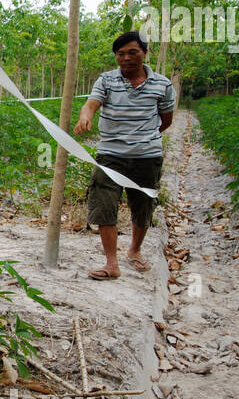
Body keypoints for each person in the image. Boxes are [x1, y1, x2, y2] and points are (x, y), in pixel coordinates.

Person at [73, 30, 176, 280]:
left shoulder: (163, 84)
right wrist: (85, 116)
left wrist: (144, 137)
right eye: (121, 54)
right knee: (103, 204)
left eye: (133, 52)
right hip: (110, 154)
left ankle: (135, 250)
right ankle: (111, 263)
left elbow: (166, 119)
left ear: (144, 53)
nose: (127, 58)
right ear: (116, 57)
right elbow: (91, 103)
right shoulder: (106, 80)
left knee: (142, 206)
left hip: (147, 156)